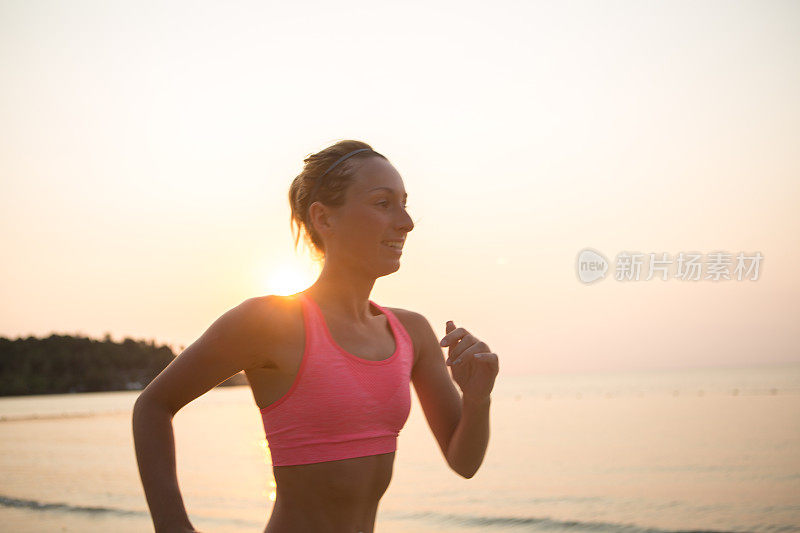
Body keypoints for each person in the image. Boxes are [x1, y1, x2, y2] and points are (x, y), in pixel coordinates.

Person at [132, 139, 500, 533]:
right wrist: (172, 525)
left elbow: (464, 463)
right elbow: (153, 406)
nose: (407, 222)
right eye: (383, 203)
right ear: (324, 219)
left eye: (405, 203)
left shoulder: (413, 332)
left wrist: (478, 398)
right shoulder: (269, 322)